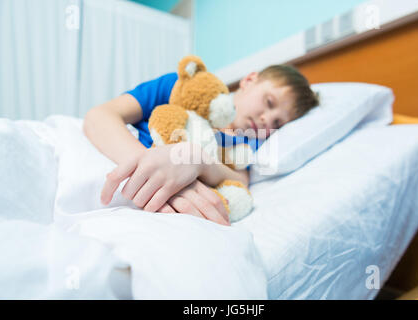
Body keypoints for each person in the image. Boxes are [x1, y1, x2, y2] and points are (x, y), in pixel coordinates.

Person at [83, 64, 319, 226]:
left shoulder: (246, 143)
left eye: (278, 122)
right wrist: (150, 167)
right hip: (113, 161)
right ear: (249, 80)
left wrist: (199, 161)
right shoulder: (182, 86)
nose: (267, 119)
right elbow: (99, 117)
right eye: (269, 102)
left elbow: (240, 179)